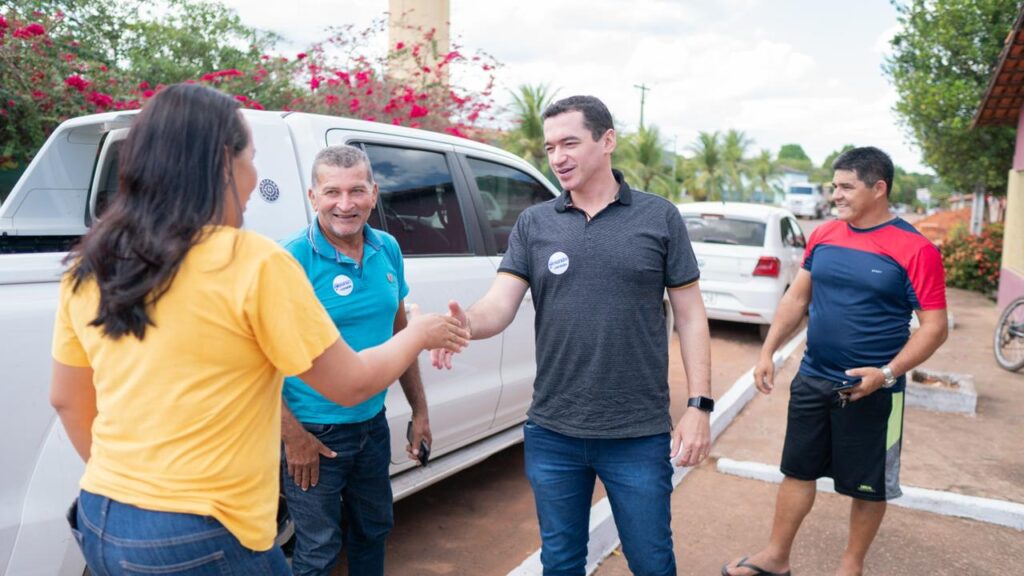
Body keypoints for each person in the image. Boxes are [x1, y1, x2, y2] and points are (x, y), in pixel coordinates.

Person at [48, 84, 467, 575]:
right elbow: (350, 382)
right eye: (250, 158)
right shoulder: (255, 262)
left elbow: (67, 400)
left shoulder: (93, 262)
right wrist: (418, 332)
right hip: (205, 528)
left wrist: (138, 494)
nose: (255, 177)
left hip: (103, 514)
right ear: (222, 166)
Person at [432, 95, 713, 576]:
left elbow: (690, 316)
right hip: (553, 431)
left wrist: (699, 406)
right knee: (560, 563)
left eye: (569, 143)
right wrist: (463, 325)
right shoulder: (535, 222)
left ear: (607, 141)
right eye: (550, 148)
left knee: (651, 561)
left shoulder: (658, 217)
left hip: (636, 433)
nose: (557, 157)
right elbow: (498, 305)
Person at [721, 146, 948, 576]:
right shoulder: (824, 234)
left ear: (878, 188)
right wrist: (768, 351)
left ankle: (851, 567)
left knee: (868, 485)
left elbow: (935, 327)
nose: (835, 195)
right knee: (796, 470)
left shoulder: (916, 249)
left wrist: (886, 374)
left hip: (874, 390)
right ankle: (776, 558)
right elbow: (797, 298)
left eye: (846, 187)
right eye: (834, 186)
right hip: (813, 377)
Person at [278, 145, 430, 576]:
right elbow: (257, 362)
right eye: (332, 192)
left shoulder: (388, 248)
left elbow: (400, 335)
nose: (345, 204)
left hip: (372, 425)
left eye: (357, 191)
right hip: (315, 433)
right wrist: (293, 437)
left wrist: (419, 410)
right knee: (318, 550)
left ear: (374, 194)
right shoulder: (290, 260)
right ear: (313, 197)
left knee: (373, 530)